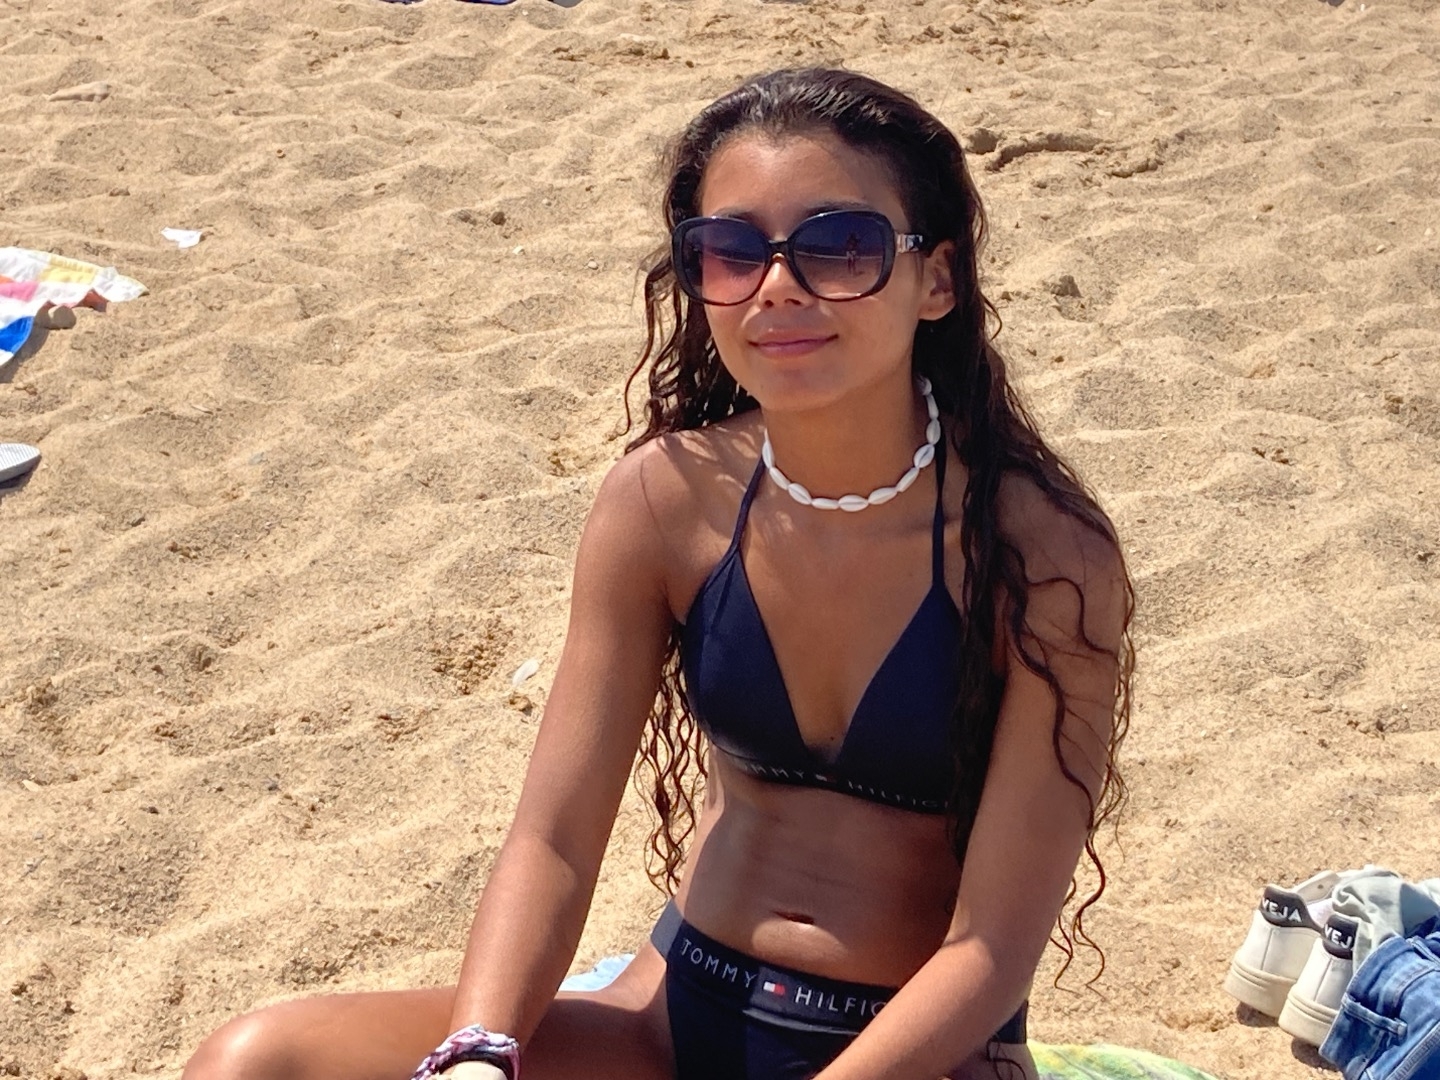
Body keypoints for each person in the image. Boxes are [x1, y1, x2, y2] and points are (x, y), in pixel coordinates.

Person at [182, 67, 1134, 1080]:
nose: (778, 286)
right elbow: (552, 841)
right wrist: (481, 1051)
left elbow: (989, 952)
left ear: (934, 279)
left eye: (838, 245)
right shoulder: (668, 501)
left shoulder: (1044, 556)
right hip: (674, 1019)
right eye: (732, 251)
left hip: (914, 1058)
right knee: (257, 1060)